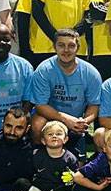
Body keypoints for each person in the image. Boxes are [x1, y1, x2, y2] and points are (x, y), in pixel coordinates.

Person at [27, 29, 102, 157]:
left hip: (76, 119)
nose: (66, 50)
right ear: (54, 47)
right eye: (61, 45)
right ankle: (39, 160)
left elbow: (94, 104)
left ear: (78, 48)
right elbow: (40, 105)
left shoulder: (91, 73)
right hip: (49, 117)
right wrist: (66, 120)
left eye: (71, 46)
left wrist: (84, 122)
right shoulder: (44, 70)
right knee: (37, 123)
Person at [14, 120, 82, 191]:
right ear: (43, 140)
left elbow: (75, 177)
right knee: (20, 182)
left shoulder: (70, 158)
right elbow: (28, 174)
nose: (54, 136)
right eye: (50, 134)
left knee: (74, 187)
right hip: (38, 188)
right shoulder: (35, 155)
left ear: (65, 139)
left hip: (57, 190)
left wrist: (72, 177)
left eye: (58, 134)